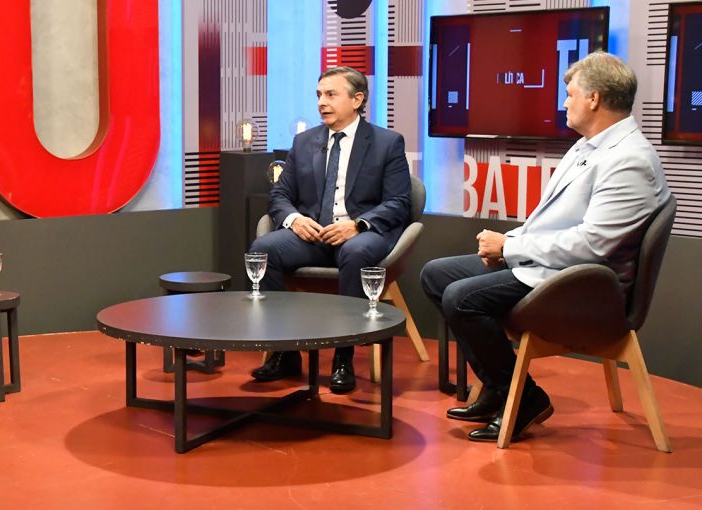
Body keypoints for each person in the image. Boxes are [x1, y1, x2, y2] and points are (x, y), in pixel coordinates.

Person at [420, 52, 670, 443]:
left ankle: (524, 398)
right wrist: (511, 244)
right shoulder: (588, 145)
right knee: (436, 275)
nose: (564, 102)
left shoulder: (630, 160)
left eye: (570, 94)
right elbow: (549, 220)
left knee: (461, 298)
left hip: (584, 286)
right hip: (551, 266)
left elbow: (593, 245)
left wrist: (510, 248)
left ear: (594, 98)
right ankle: (501, 388)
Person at [249, 66, 412, 394]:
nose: (321, 102)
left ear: (357, 100)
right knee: (263, 250)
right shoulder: (304, 142)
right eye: (319, 95)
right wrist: (294, 219)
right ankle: (284, 351)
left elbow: (399, 202)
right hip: (312, 236)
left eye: (331, 94)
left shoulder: (386, 143)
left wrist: (358, 225)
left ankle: (343, 356)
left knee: (355, 252)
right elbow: (280, 195)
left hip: (359, 235)